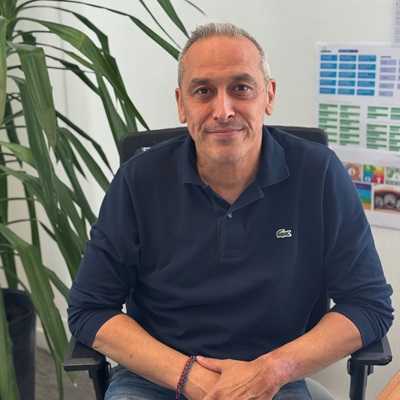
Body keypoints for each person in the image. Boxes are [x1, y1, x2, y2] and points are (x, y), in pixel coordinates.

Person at [68, 23, 394, 400]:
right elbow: (90, 308)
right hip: (156, 377)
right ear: (181, 104)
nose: (223, 111)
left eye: (241, 88)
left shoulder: (319, 174)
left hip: (274, 378)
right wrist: (192, 378)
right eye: (203, 91)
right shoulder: (138, 180)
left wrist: (272, 370)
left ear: (268, 95)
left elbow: (368, 305)